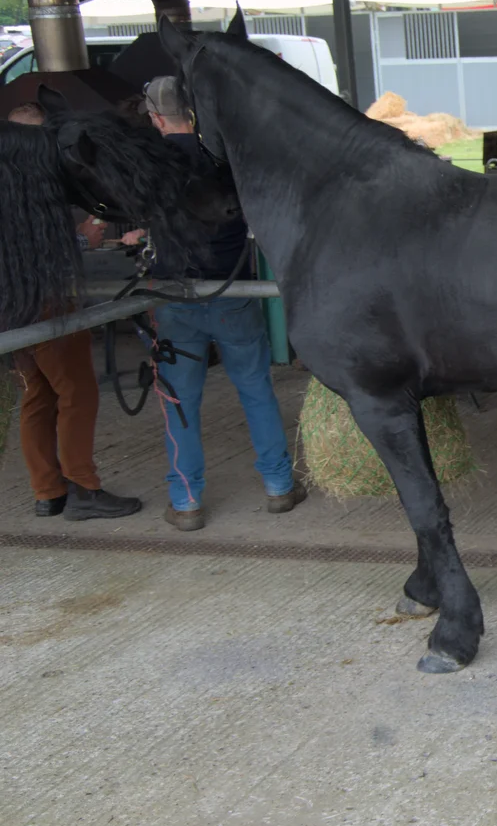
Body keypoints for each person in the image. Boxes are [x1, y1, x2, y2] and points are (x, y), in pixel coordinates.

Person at [128, 77, 303, 529]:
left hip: (175, 297)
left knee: (179, 399)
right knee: (256, 388)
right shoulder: (223, 161)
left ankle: (186, 502)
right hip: (232, 294)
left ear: (154, 118)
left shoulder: (151, 167)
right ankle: (279, 486)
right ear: (194, 112)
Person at [7, 102, 143, 521]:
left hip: (13, 307)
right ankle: (84, 487)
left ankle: (48, 491)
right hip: (47, 302)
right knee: (78, 393)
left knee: (38, 395)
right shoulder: (33, 190)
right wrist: (85, 237)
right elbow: (37, 250)